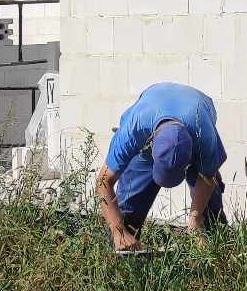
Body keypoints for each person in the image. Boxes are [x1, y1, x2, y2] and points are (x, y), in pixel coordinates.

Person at [96, 82, 227, 251]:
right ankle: (122, 262)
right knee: (125, 214)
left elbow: (207, 178)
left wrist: (195, 219)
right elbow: (102, 182)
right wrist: (118, 231)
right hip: (152, 113)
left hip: (198, 109)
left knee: (210, 209)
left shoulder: (204, 136)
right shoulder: (134, 130)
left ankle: (218, 257)